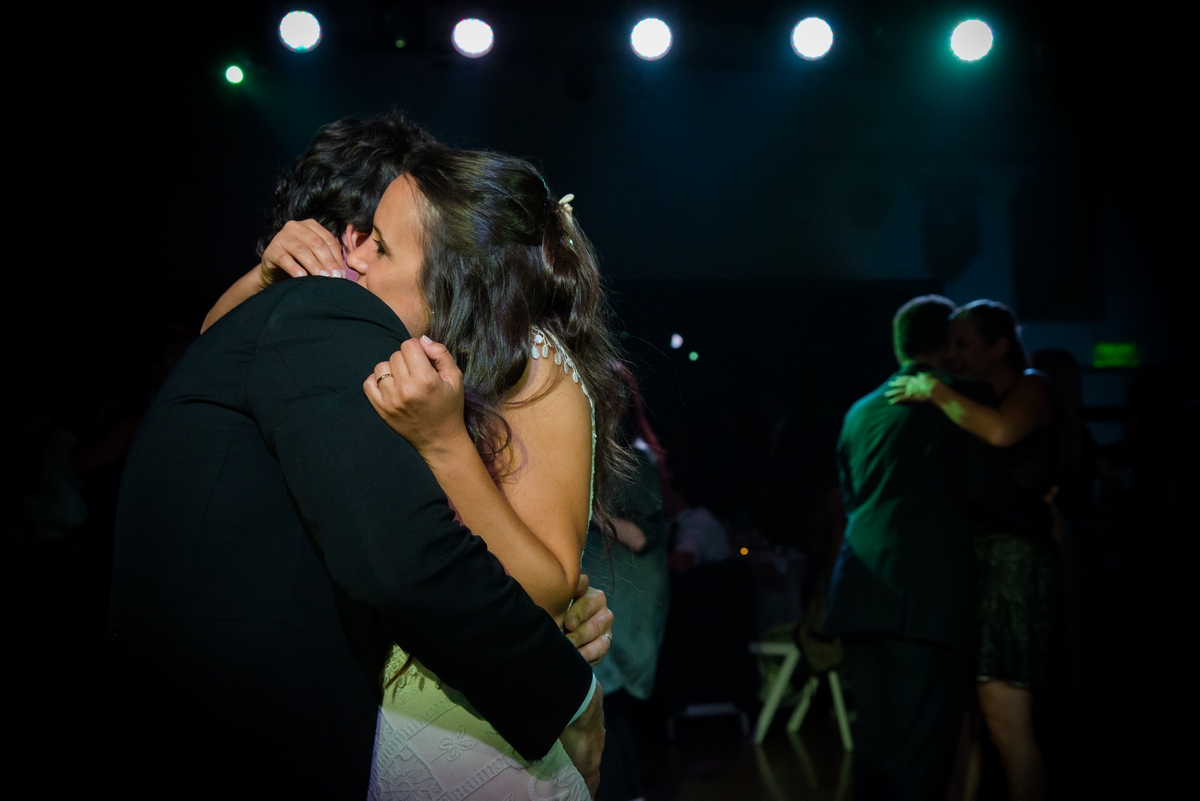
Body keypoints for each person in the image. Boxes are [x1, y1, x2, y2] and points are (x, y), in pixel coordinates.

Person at [107, 129, 612, 799]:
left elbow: (543, 582)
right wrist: (265, 276)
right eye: (360, 235)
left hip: (468, 720)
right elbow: (228, 353)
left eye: (380, 242)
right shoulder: (385, 357)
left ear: (454, 275)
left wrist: (443, 442)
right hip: (394, 705)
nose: (359, 262)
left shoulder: (532, 363)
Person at [825, 295, 1052, 801]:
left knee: (875, 750)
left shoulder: (860, 410)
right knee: (920, 756)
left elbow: (851, 497)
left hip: (859, 594)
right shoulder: (951, 400)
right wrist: (1048, 519)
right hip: (923, 601)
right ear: (945, 344)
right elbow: (982, 487)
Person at [886, 300, 1060, 801]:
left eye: (962, 343)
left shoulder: (1032, 384)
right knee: (972, 724)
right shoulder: (968, 397)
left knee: (1007, 723)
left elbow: (1003, 432)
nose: (952, 354)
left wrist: (934, 390)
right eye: (949, 344)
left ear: (999, 345)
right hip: (974, 564)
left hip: (1013, 564)